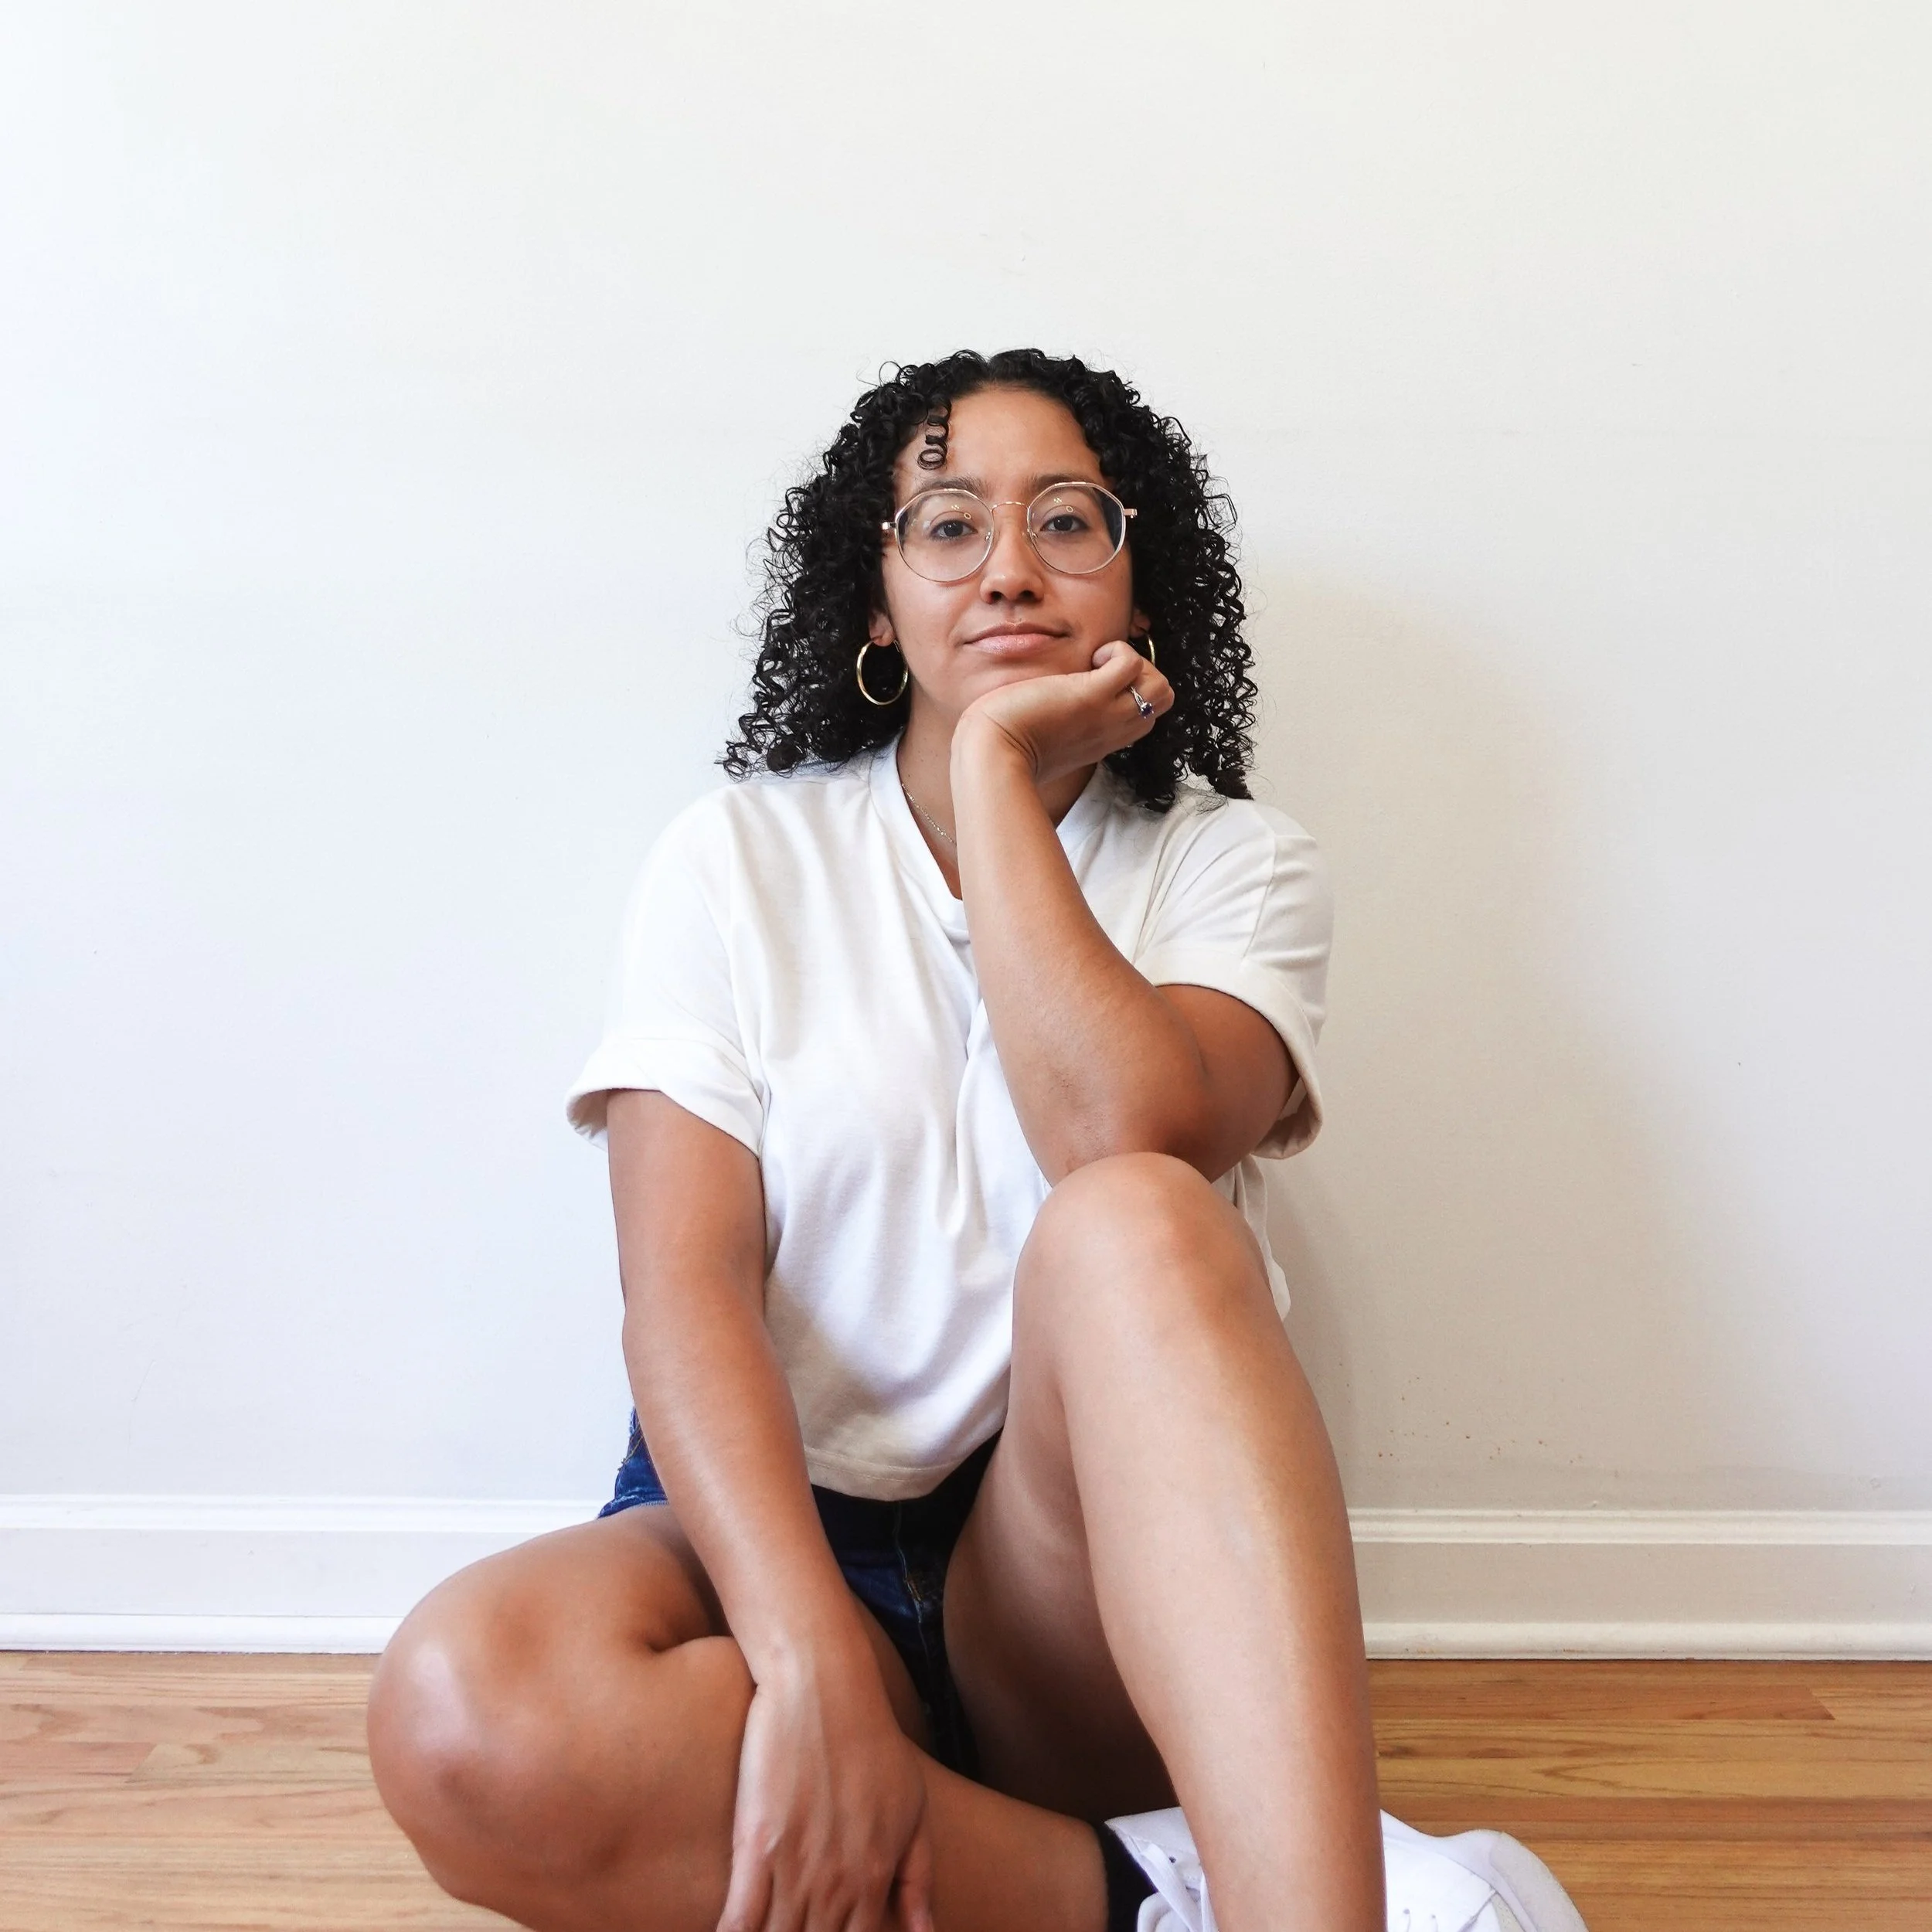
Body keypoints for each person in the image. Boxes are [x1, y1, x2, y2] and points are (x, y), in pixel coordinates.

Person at [366, 351, 1587, 1932]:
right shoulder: (735, 858)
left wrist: (1001, 773)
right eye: (945, 525)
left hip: (1069, 1595)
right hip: (765, 1534)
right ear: (874, 603)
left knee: (1136, 1218)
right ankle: (1153, 1892)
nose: (1008, 564)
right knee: (468, 1711)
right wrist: (803, 1657)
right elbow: (682, 1289)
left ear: (1139, 583)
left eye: (1065, 520)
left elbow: (1111, 1129)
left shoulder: (1234, 866)